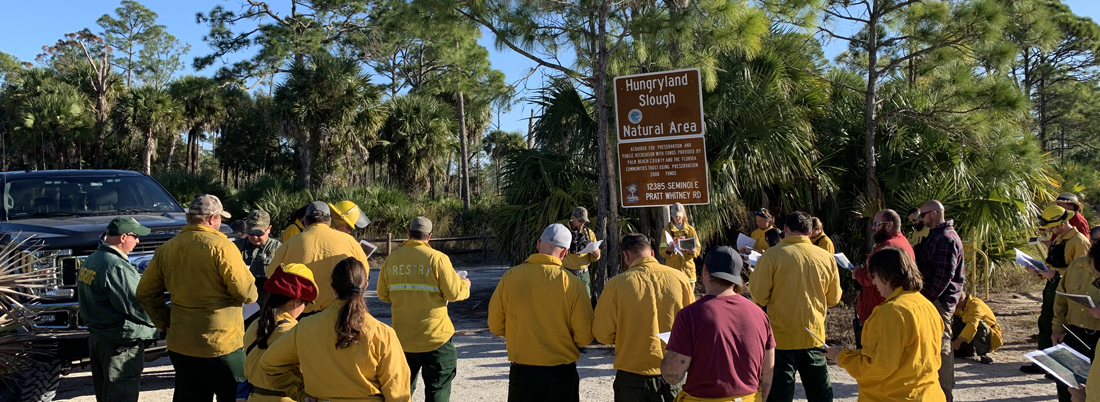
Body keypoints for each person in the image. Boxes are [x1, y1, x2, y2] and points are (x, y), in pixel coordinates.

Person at [136, 194, 258, 402]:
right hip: (221, 343)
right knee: (235, 396)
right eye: (220, 218)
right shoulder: (222, 246)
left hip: (181, 343)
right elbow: (246, 293)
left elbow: (145, 292)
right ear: (212, 219)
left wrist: (165, 321)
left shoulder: (167, 248)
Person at [259, 257, 411, 401]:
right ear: (366, 286)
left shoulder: (305, 328)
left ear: (333, 288)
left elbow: (269, 363)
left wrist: (300, 392)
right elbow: (398, 392)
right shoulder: (382, 333)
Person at [488, 223, 594, 402]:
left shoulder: (511, 277)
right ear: (564, 253)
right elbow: (584, 336)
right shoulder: (572, 283)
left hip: (523, 374)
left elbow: (495, 325)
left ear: (538, 244)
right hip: (560, 375)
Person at [825, 247, 945, 402]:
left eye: (875, 276)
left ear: (887, 276)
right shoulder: (927, 306)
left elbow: (876, 367)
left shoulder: (891, 313)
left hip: (893, 396)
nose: (874, 282)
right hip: (929, 394)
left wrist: (840, 356)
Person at [749, 211, 841, 402]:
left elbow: (759, 296)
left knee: (779, 395)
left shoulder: (771, 256)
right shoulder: (826, 257)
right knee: (821, 394)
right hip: (813, 336)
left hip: (780, 338)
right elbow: (833, 299)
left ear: (785, 229)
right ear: (810, 232)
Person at [662, 247, 776, 402]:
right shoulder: (760, 315)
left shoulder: (689, 315)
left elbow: (672, 376)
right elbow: (768, 370)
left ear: (706, 271)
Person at [377, 217, 471, 402]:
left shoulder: (391, 260)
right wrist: (465, 284)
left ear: (408, 232)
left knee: (401, 390)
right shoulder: (438, 259)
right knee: (438, 388)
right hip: (435, 338)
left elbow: (383, 295)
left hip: (402, 338)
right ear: (429, 236)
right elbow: (454, 294)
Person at [594, 233, 694, 402]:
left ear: (626, 255)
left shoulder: (617, 284)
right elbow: (693, 327)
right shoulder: (680, 279)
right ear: (652, 253)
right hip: (674, 374)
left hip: (632, 378)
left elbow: (602, 334)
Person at [76, 217, 158, 402]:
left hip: (99, 338)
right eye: (135, 236)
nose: (138, 241)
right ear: (123, 237)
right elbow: (139, 305)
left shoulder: (92, 259)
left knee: (105, 393)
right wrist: (163, 323)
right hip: (120, 343)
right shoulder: (116, 266)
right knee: (122, 393)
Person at [1022, 205, 1091, 375]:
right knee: (1046, 324)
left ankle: (1063, 368)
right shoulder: (1060, 239)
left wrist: (1056, 273)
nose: (1050, 230)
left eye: (1051, 226)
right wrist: (1038, 271)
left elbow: (1082, 272)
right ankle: (1044, 364)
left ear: (1061, 224)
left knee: (1064, 328)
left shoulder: (1079, 241)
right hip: (1054, 287)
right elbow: (1054, 265)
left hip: (1070, 292)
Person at [266, 201, 368, 314]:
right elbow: (363, 274)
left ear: (305, 221)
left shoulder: (289, 244)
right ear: (329, 220)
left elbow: (271, 275)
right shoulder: (350, 242)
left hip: (300, 314)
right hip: (338, 314)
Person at [242, 263, 318, 402]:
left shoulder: (255, 324)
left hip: (253, 397)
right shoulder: (293, 332)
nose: (304, 309)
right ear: (296, 301)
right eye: (305, 304)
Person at [914, 200, 965, 402]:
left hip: (939, 301)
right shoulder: (935, 235)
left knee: (943, 346)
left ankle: (945, 394)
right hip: (933, 299)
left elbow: (944, 276)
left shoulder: (947, 238)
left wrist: (926, 299)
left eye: (923, 214)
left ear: (935, 213)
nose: (921, 218)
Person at [851, 209, 914, 349]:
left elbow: (874, 277)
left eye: (877, 223)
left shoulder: (889, 247)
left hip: (879, 309)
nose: (873, 227)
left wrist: (857, 274)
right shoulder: (899, 242)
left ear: (889, 225)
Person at [1052, 244, 1100, 402]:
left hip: (1098, 339)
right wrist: (1057, 328)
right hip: (1074, 335)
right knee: (1067, 385)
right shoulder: (1076, 265)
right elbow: (1060, 300)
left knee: (1093, 389)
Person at [235, 210, 282, 307]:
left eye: (259, 233)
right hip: (242, 301)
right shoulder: (236, 247)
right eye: (251, 233)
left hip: (267, 302)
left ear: (268, 229)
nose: (255, 237)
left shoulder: (277, 248)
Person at [951, 291, 1002, 365]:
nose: (952, 303)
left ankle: (984, 353)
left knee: (979, 325)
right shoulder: (960, 306)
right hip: (971, 333)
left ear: (961, 298)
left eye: (953, 300)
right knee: (953, 320)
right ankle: (965, 349)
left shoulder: (976, 305)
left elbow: (972, 326)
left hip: (990, 335)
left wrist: (957, 342)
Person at [562, 206, 601, 298]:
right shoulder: (563, 232)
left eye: (584, 221)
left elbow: (595, 255)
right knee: (567, 301)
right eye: (580, 221)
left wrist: (596, 254)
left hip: (584, 275)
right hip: (567, 273)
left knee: (586, 302)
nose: (582, 223)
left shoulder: (589, 233)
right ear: (573, 218)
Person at [660, 202, 701, 284]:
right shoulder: (666, 231)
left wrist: (693, 252)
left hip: (688, 270)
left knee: (689, 296)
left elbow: (697, 247)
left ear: (683, 214)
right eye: (675, 215)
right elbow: (662, 251)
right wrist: (669, 250)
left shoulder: (690, 230)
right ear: (671, 215)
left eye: (679, 214)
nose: (677, 217)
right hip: (673, 270)